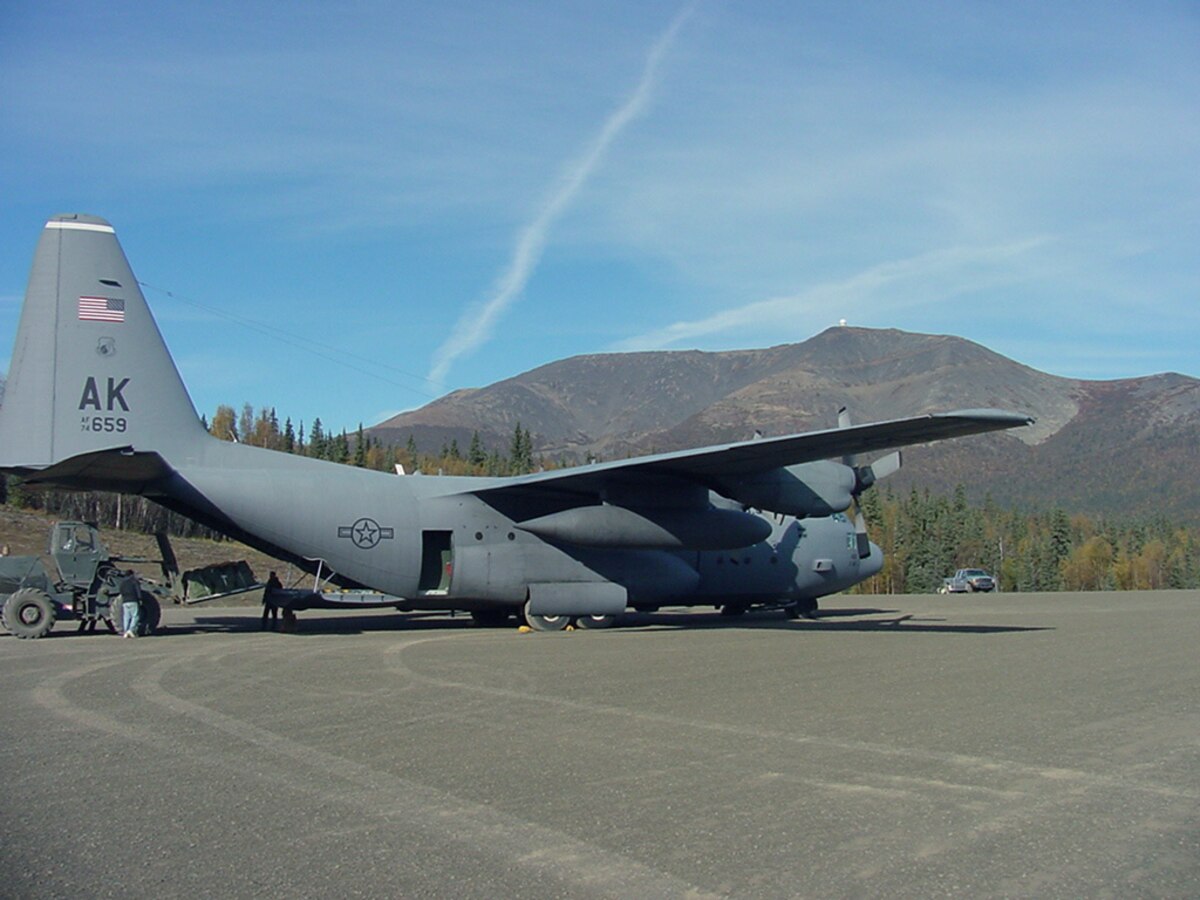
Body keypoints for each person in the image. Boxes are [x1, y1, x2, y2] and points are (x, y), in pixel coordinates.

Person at [118, 571, 141, 638]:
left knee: (126, 617)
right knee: (135, 616)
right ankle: (131, 630)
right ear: (132, 574)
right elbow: (138, 590)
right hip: (133, 600)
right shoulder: (134, 581)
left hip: (125, 601)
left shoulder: (122, 583)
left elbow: (120, 591)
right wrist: (140, 599)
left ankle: (125, 631)